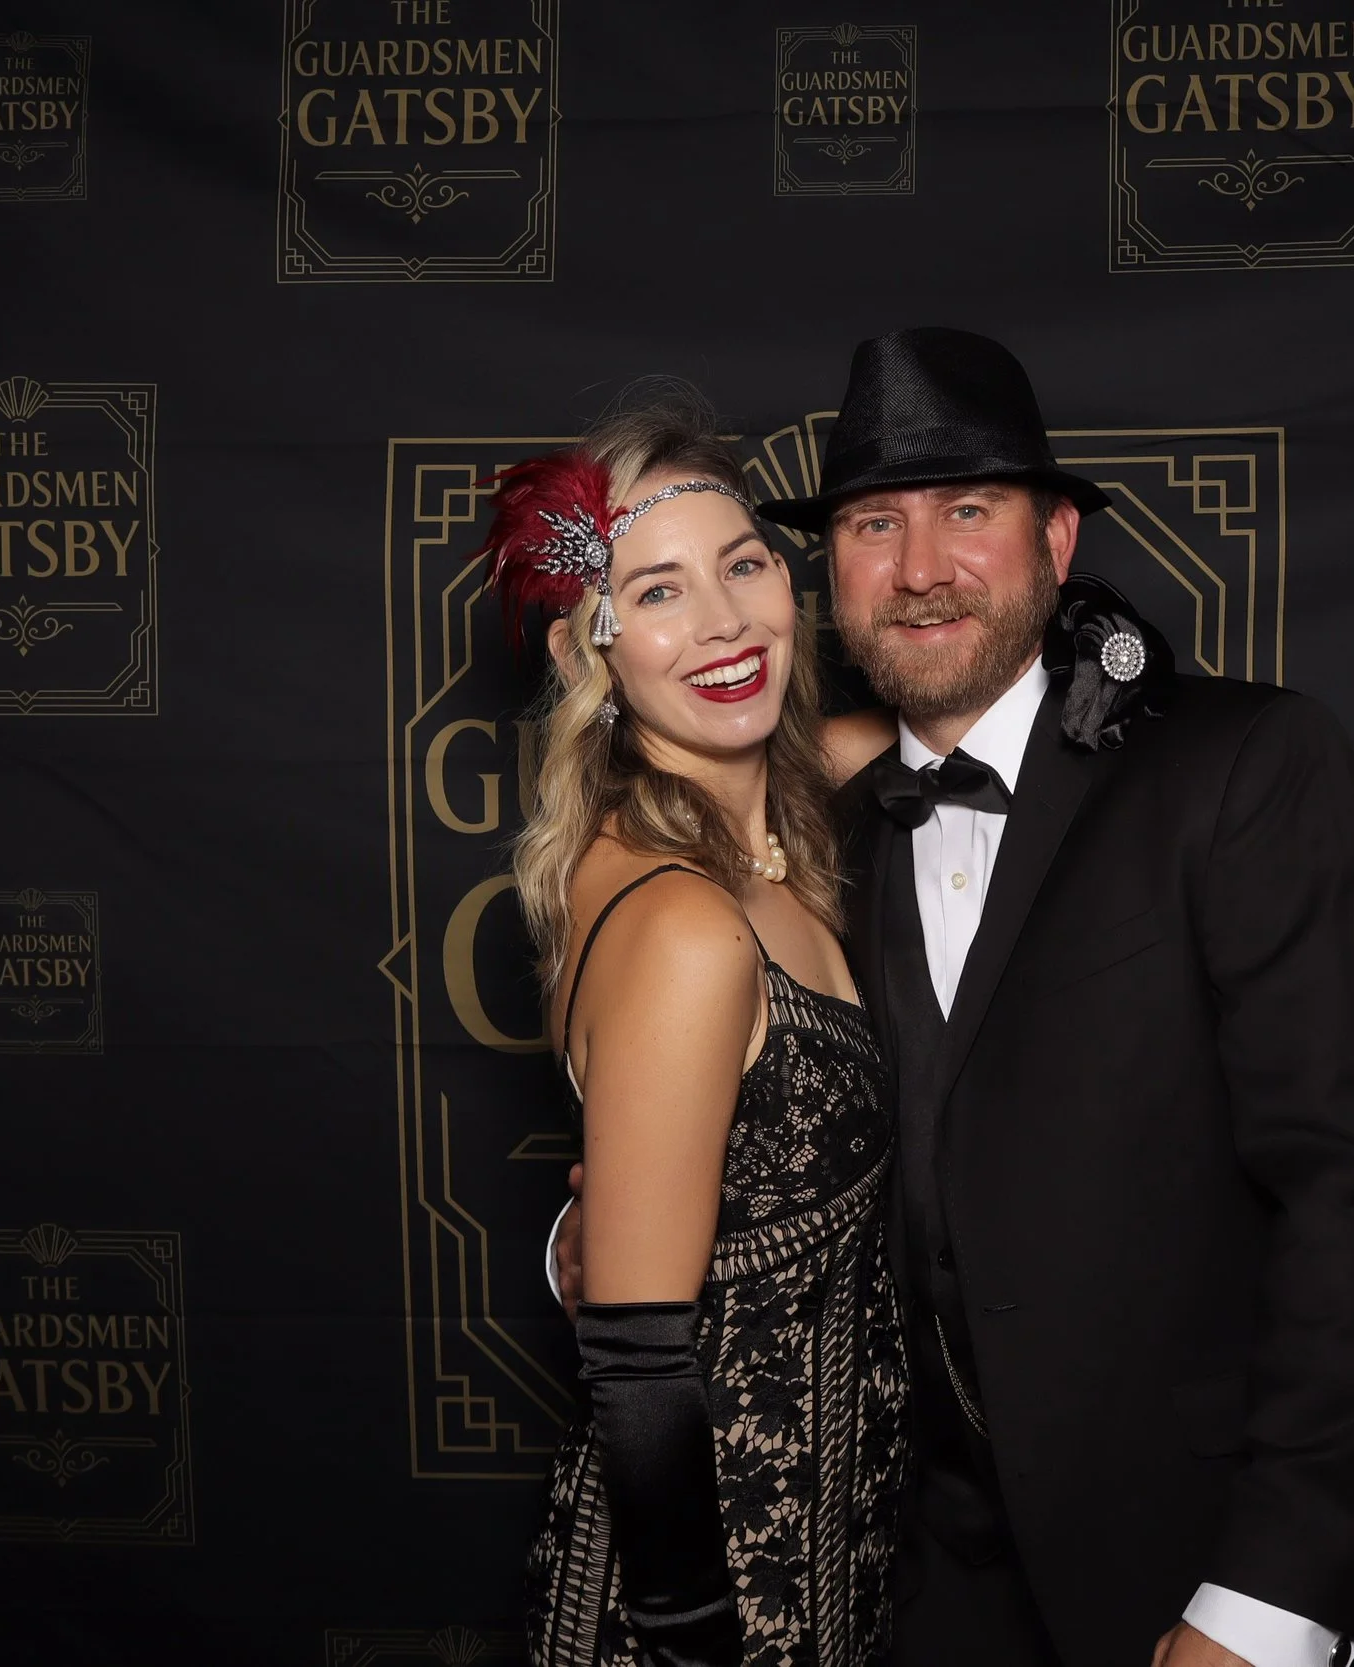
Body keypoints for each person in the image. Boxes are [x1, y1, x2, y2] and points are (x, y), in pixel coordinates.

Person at [559, 329, 1354, 1667]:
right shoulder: (812, 836)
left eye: (968, 510)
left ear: (1057, 539)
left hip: (1191, 1582)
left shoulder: (1243, 767)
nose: (919, 569)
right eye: (873, 523)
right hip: (905, 1592)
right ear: (832, 572)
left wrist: (1267, 1606)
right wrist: (602, 1222)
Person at [492, 393, 907, 1667]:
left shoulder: (763, 821)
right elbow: (634, 1353)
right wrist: (690, 1643)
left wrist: (1101, 653)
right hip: (707, 1600)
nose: (724, 621)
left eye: (743, 566)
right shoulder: (683, 923)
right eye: (658, 593)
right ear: (586, 653)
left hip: (830, 1557)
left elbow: (944, 728)